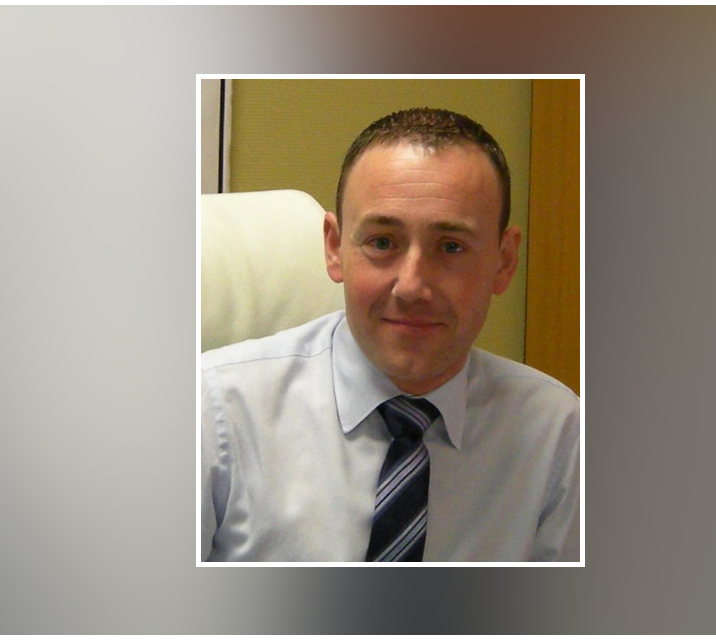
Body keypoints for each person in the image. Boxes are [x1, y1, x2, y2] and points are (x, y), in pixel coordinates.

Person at [201, 108, 579, 562]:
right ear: (334, 247)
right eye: (382, 243)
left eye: (451, 247)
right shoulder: (216, 412)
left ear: (504, 261)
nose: (412, 286)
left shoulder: (557, 433)